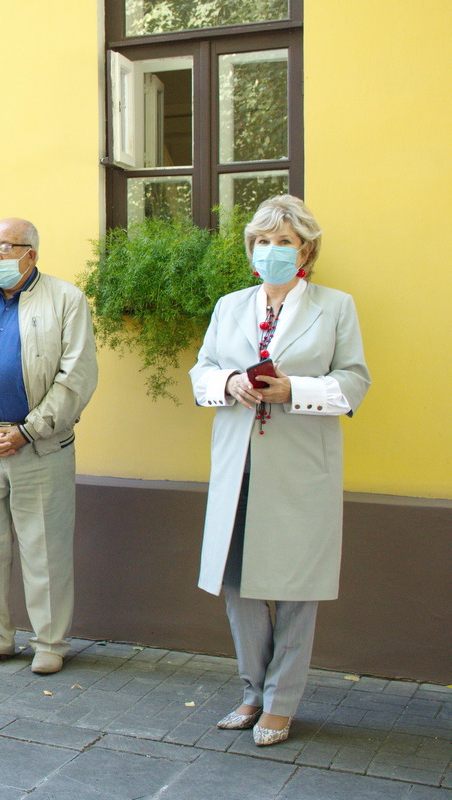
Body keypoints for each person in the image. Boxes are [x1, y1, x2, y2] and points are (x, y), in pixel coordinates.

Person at [189, 195, 369, 746]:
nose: (272, 250)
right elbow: (202, 371)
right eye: (263, 241)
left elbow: (354, 381)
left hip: (300, 468)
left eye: (284, 241)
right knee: (237, 583)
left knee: (296, 587)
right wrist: (228, 382)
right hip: (238, 464)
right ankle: (252, 692)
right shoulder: (229, 306)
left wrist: (295, 389)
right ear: (251, 251)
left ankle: (281, 702)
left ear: (305, 251)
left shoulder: (335, 307)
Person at [0, 217, 98, 674]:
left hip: (39, 446)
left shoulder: (66, 300)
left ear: (31, 254)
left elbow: (77, 374)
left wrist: (29, 430)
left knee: (45, 548)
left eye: (5, 247)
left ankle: (50, 642)